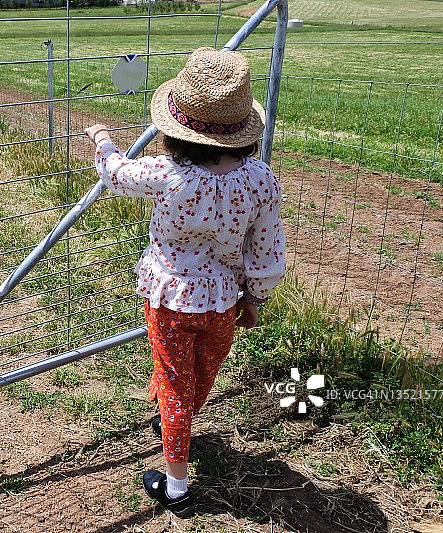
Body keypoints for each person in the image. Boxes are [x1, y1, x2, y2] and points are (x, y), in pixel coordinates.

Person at [84, 46, 286, 518]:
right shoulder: (260, 179)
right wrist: (255, 298)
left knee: (174, 384)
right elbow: (266, 249)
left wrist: (103, 139)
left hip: (172, 298)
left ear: (176, 128)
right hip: (223, 300)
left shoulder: (167, 173)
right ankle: (177, 424)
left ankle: (176, 486)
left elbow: (116, 175)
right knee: (202, 374)